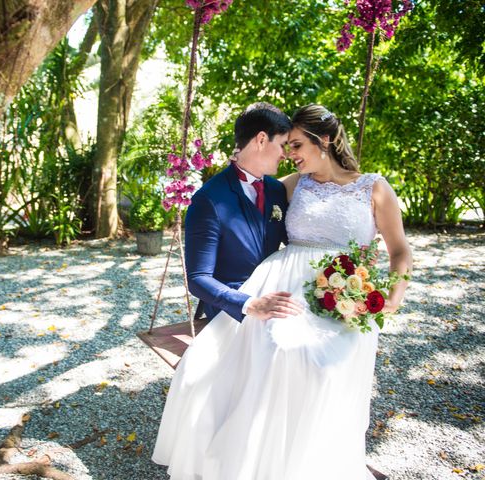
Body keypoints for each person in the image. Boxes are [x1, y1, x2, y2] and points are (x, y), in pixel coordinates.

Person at [152, 103, 413, 480]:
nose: (290, 155)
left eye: (296, 146)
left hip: (343, 291)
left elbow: (400, 249)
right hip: (283, 281)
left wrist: (392, 300)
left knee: (320, 365)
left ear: (324, 141)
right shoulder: (292, 184)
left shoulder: (374, 187)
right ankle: (257, 460)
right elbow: (247, 193)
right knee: (273, 350)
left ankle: (310, 461)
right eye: (285, 146)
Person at [184, 102, 304, 324]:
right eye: (282, 145)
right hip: (232, 308)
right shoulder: (208, 200)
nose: (285, 155)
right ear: (261, 140)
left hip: (273, 296)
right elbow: (198, 278)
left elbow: (297, 243)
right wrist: (249, 305)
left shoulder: (277, 191)